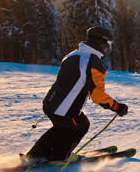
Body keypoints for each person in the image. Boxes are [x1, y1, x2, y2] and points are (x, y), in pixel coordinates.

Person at [26, 26, 129, 163]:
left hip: (51, 103)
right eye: (108, 45)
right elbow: (97, 95)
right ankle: (60, 156)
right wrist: (116, 107)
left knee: (61, 128)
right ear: (101, 43)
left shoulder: (74, 54)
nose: (107, 49)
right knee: (80, 126)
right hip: (65, 110)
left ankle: (35, 155)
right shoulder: (94, 62)